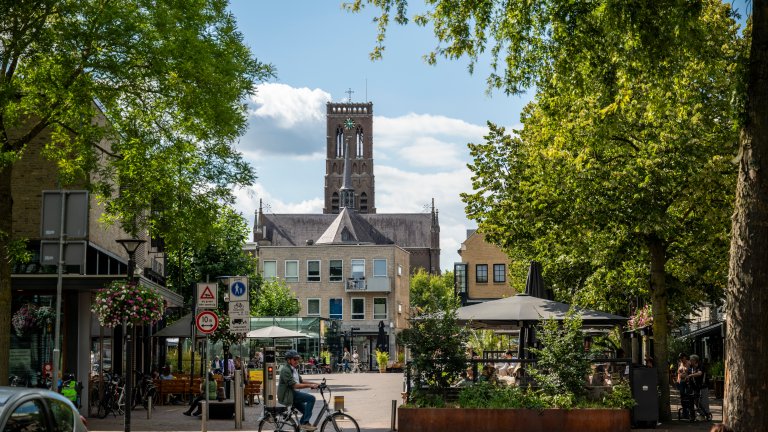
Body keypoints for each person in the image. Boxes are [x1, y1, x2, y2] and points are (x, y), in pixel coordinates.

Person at [278, 350, 320, 431]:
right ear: (288, 360)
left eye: (297, 359)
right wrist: (310, 385)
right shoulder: (285, 370)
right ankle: (304, 424)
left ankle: (301, 427)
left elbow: (301, 381)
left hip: (293, 393)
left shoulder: (293, 369)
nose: (297, 361)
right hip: (288, 395)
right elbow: (295, 385)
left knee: (307, 412)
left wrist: (316, 383)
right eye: (294, 359)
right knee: (311, 398)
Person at [688, 354, 712, 419]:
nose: (690, 361)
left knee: (703, 401)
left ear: (695, 360)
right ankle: (700, 414)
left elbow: (700, 373)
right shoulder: (691, 367)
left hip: (703, 386)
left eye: (691, 360)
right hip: (695, 387)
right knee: (696, 401)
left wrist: (691, 375)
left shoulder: (700, 366)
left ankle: (707, 414)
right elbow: (687, 374)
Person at [677, 353, 693, 420]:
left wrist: (688, 376)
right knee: (682, 396)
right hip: (681, 382)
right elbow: (678, 372)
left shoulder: (689, 363)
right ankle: (684, 412)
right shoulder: (680, 363)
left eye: (682, 358)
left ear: (685, 357)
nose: (681, 359)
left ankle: (689, 412)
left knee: (688, 396)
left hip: (687, 382)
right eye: (680, 358)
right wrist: (678, 379)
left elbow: (692, 372)